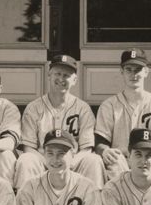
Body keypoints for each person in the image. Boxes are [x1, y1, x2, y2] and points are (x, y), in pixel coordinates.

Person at [16, 54, 104, 188]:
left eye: (66, 75)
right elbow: (29, 147)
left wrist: (69, 162)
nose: (61, 79)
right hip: (42, 161)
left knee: (94, 160)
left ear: (74, 80)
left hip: (74, 161)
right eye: (57, 74)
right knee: (26, 160)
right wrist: (50, 163)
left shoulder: (83, 108)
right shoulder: (33, 108)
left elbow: (86, 148)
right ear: (49, 76)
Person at [93, 48, 151, 180]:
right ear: (121, 71)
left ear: (146, 71)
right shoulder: (108, 106)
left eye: (138, 69)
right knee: (114, 162)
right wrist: (105, 151)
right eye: (129, 69)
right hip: (122, 162)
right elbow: (100, 142)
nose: (133, 74)